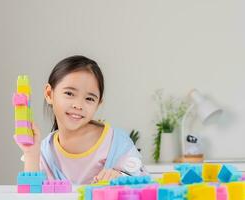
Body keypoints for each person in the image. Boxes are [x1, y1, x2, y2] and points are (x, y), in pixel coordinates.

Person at [14, 55, 146, 184]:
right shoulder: (45, 151)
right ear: (49, 94)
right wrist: (31, 154)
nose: (78, 105)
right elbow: (32, 194)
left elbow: (144, 184)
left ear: (98, 104)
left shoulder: (117, 143)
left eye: (89, 98)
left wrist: (121, 179)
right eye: (69, 93)